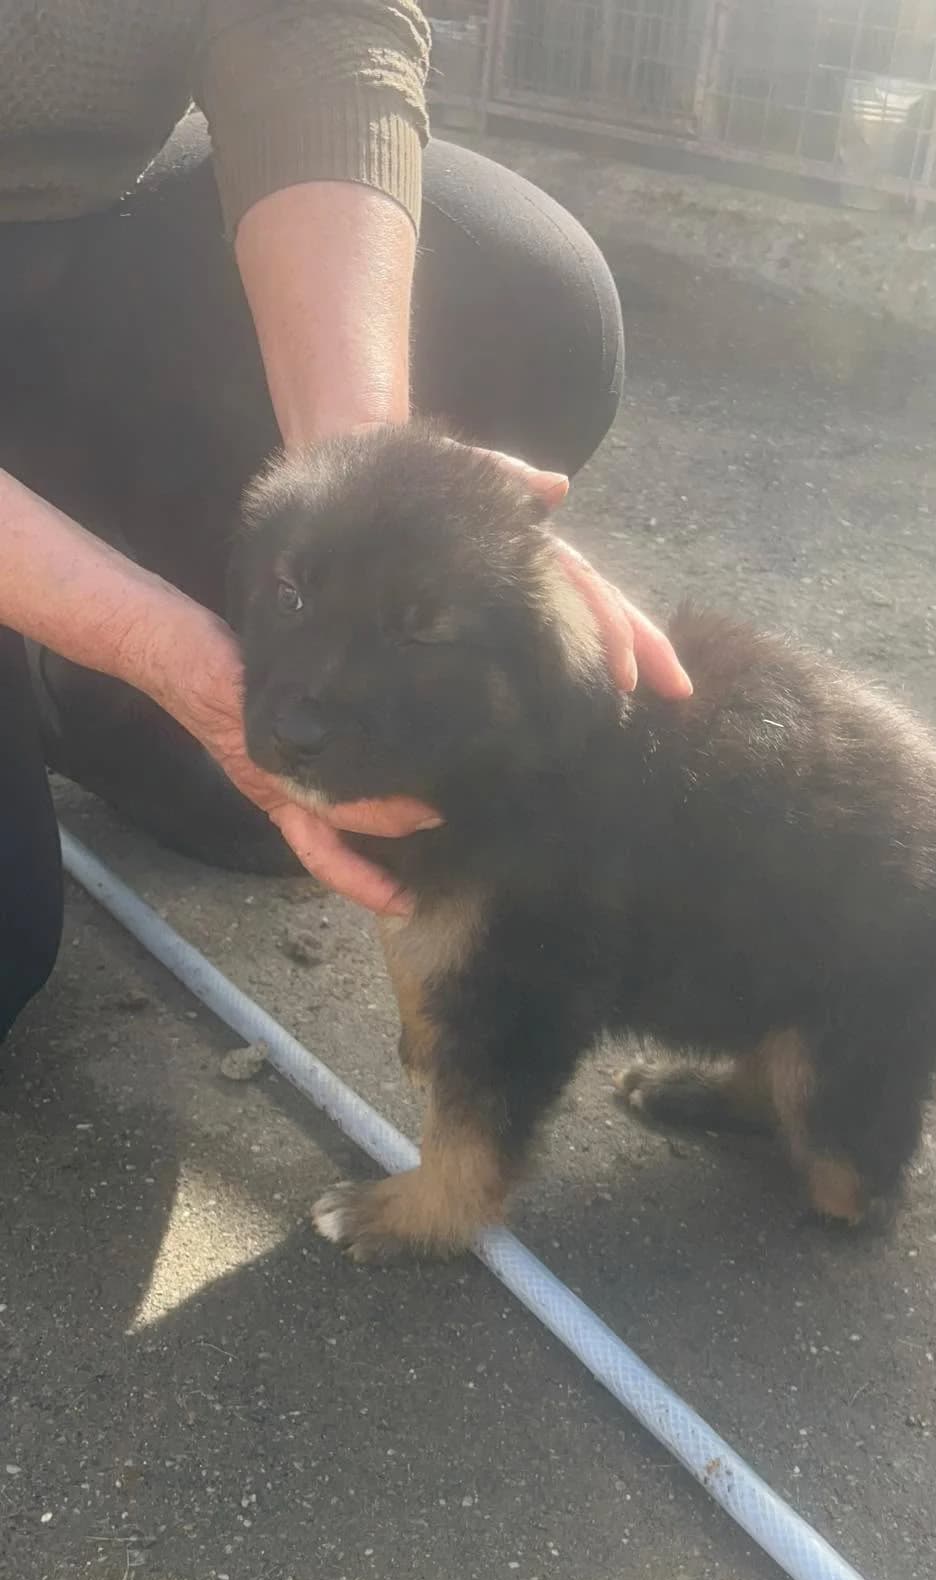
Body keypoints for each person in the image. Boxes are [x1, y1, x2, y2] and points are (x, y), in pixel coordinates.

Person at [0, 2, 691, 1047]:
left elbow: (314, 22)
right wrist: (152, 642)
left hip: (63, 228)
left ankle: (75, 694)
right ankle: (62, 635)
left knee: (523, 291)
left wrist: (374, 484)